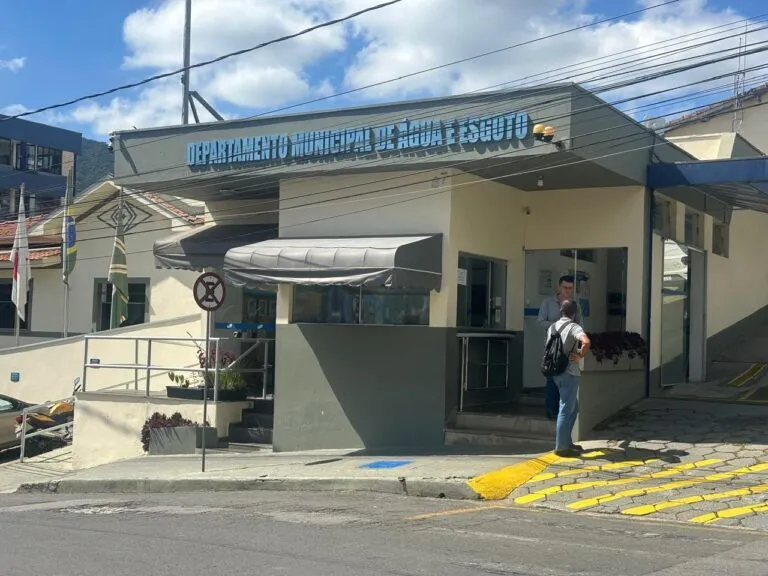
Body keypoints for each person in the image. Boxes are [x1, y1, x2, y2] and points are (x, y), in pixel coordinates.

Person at [545, 299, 591, 457]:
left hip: (556, 372)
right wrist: (579, 355)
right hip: (569, 372)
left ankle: (567, 441)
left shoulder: (552, 327)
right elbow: (586, 342)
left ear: (561, 312)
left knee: (574, 407)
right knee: (565, 408)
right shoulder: (574, 326)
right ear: (574, 313)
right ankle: (562, 447)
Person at [537, 275, 582, 419]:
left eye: (570, 288)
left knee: (567, 379)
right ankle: (551, 410)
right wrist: (558, 325)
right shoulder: (548, 303)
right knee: (551, 378)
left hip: (568, 349)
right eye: (565, 288)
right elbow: (540, 322)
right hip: (552, 347)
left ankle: (564, 413)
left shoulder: (575, 305)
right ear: (559, 287)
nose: (567, 291)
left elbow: (580, 325)